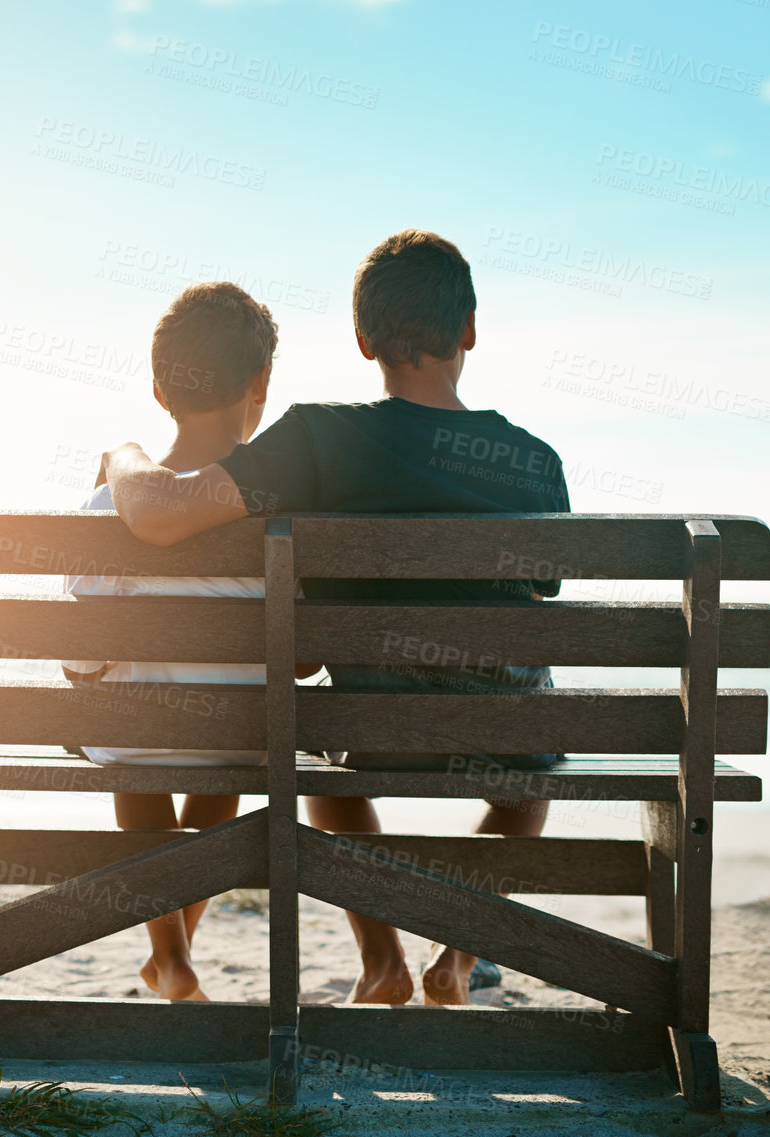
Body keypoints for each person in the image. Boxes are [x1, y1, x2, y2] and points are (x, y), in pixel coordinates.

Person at [97, 229, 571, 1006]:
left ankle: (382, 957)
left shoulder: (318, 436)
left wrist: (121, 453)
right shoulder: (534, 461)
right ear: (469, 329)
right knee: (529, 778)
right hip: (501, 735)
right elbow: (543, 592)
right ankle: (454, 958)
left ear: (361, 340)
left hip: (366, 725)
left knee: (322, 748)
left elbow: (158, 514)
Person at [62, 281, 318, 1002]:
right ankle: (172, 953)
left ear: (157, 387)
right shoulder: (273, 511)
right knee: (233, 745)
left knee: (129, 742)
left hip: (129, 736)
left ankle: (169, 956)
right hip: (234, 739)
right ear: (259, 383)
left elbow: (79, 656)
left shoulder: (106, 500)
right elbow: (302, 659)